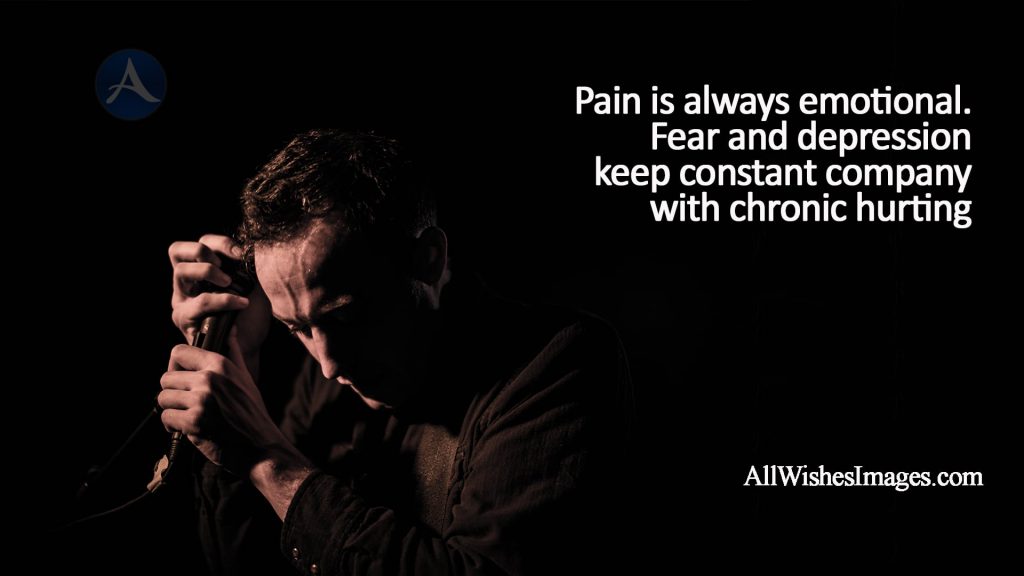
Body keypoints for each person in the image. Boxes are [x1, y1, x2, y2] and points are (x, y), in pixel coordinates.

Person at [161, 130, 633, 576]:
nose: (328, 365)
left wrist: (268, 459)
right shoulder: (329, 377)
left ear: (429, 259)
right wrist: (236, 364)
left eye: (346, 317)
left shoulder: (559, 361)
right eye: (297, 329)